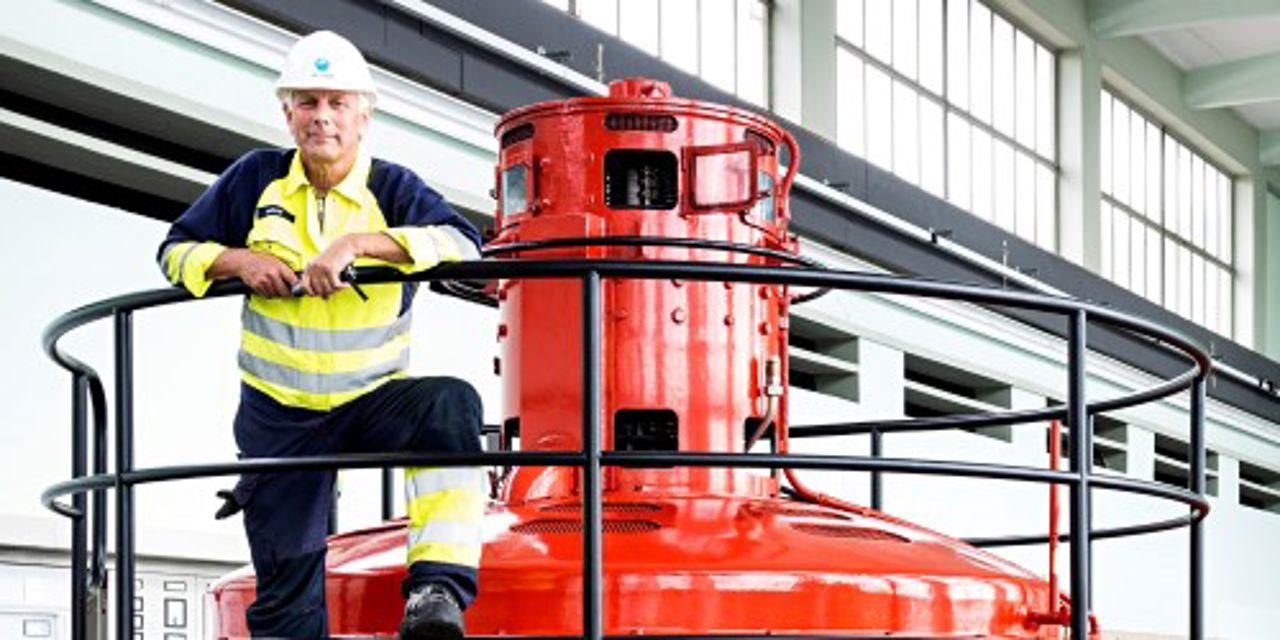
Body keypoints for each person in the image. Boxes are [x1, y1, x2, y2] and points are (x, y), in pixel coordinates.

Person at [156, 30, 485, 639]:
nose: (322, 118)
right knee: (286, 608)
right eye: (308, 102)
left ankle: (436, 590)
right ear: (287, 114)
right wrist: (239, 261)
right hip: (280, 418)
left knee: (449, 403)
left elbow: (465, 243)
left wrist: (360, 244)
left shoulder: (392, 189)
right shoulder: (255, 180)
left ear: (365, 115)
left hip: (372, 401)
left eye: (337, 103)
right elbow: (174, 252)